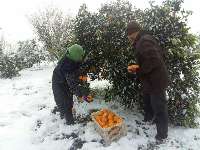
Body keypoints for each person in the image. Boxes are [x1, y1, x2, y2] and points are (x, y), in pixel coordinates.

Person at [127, 21, 169, 141]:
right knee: (149, 102)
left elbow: (154, 60)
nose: (128, 38)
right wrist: (138, 67)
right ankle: (149, 120)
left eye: (129, 35)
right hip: (150, 80)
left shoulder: (144, 41)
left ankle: (162, 135)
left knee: (159, 107)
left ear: (134, 32)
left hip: (156, 81)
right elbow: (155, 57)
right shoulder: (143, 40)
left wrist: (139, 70)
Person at [52, 44, 92, 125]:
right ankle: (69, 122)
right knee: (64, 101)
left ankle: (63, 109)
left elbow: (78, 69)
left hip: (65, 80)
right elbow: (73, 86)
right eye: (81, 56)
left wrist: (82, 80)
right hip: (59, 82)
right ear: (76, 57)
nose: (82, 57)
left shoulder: (72, 57)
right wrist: (83, 95)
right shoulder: (67, 67)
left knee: (69, 98)